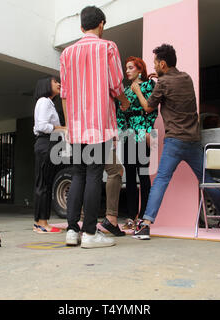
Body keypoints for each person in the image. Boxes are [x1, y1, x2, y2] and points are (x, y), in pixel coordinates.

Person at [132, 44, 220, 240]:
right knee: (205, 180)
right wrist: (159, 79)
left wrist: (137, 90)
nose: (154, 66)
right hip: (192, 140)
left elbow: (148, 108)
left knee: (161, 180)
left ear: (163, 64)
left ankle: (146, 225)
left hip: (174, 141)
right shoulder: (186, 78)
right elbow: (173, 88)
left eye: (156, 63)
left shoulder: (163, 84)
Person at [60, 6, 130, 248]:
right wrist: (124, 101)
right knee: (93, 174)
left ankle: (72, 231)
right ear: (101, 24)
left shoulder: (67, 53)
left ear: (81, 27)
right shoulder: (107, 47)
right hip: (98, 123)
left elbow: (65, 94)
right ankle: (90, 233)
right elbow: (116, 84)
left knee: (78, 174)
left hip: (78, 126)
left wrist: (69, 126)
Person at [117, 56, 157, 227]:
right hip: (128, 134)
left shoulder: (149, 85)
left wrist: (149, 132)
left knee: (144, 175)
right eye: (126, 68)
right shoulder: (125, 91)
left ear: (140, 69)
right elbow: (120, 115)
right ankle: (130, 216)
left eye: (131, 67)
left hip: (143, 133)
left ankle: (143, 216)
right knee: (130, 177)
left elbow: (152, 109)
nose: (127, 71)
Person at [32, 76, 65, 234]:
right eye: (55, 82)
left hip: (46, 144)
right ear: (46, 85)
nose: (59, 84)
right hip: (46, 143)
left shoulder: (47, 103)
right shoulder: (44, 101)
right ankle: (42, 223)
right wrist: (63, 128)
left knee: (43, 183)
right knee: (44, 184)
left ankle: (39, 222)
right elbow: (42, 126)